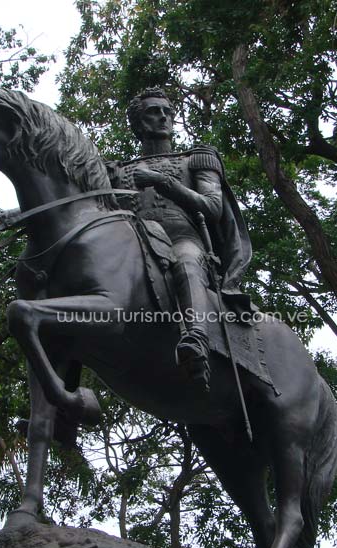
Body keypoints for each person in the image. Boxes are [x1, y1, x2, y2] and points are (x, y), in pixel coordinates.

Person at [107, 87, 252, 387]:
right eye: (153, 112)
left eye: (167, 111)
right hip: (134, 245)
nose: (163, 117)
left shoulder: (196, 159)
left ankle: (196, 339)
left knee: (186, 262)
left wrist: (163, 182)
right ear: (138, 123)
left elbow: (213, 207)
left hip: (183, 238)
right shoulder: (117, 171)